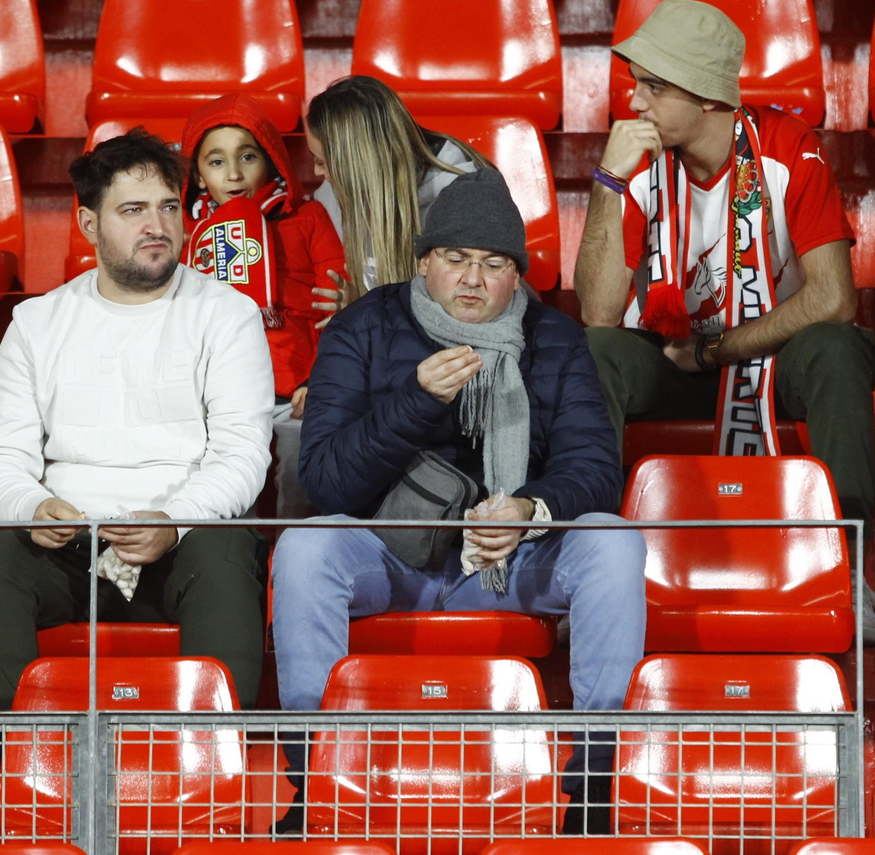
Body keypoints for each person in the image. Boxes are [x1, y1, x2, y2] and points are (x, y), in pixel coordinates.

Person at [271, 168, 643, 835]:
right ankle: (319, 784)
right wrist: (414, 402)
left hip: (509, 565)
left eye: (493, 264)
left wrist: (529, 512)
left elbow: (593, 469)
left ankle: (594, 791)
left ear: (517, 276)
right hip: (392, 557)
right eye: (455, 259)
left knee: (613, 541)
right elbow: (326, 480)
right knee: (305, 547)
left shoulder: (554, 338)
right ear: (425, 263)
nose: (472, 280)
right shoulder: (364, 327)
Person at [0, 129, 275, 768]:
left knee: (227, 549)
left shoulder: (227, 314)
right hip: (69, 543)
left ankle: (213, 775)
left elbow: (242, 455)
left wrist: (174, 522)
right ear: (88, 223)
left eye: (168, 208)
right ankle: (19, 776)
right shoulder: (39, 322)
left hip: (181, 543)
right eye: (133, 211)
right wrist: (30, 508)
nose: (157, 225)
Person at [575, 0, 875, 643]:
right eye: (638, 84)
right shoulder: (636, 163)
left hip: (775, 354)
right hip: (671, 358)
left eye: (654, 87)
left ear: (710, 97)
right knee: (593, 352)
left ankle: (846, 573)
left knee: (837, 348)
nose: (635, 103)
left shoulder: (786, 147)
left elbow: (832, 298)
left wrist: (718, 350)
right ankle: (588, 571)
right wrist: (608, 180)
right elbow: (599, 312)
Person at [180, 95, 347, 518]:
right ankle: (242, 551)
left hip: (298, 391)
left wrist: (322, 381)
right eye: (216, 162)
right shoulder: (190, 236)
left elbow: (336, 313)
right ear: (198, 176)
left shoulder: (308, 219)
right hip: (222, 395)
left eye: (248, 157)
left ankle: (292, 544)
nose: (234, 174)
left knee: (302, 449)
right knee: (213, 462)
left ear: (272, 162)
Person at [304, 74, 490, 301]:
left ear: (359, 165)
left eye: (323, 162)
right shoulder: (327, 198)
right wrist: (353, 310)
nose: (316, 172)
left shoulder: (466, 199)